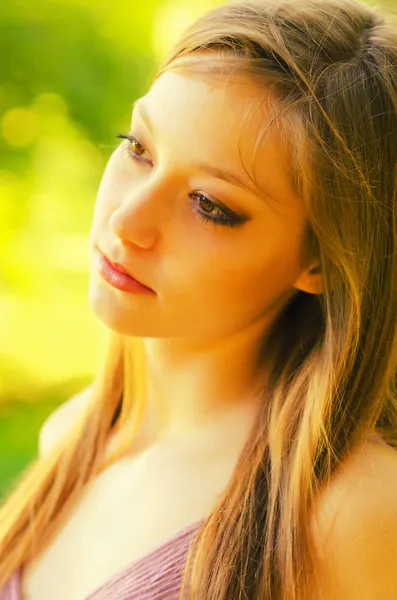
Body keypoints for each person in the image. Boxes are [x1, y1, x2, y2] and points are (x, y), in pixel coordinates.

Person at [1, 0, 397, 597]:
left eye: (210, 206)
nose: (128, 221)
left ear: (319, 260)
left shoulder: (349, 514)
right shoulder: (71, 437)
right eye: (137, 148)